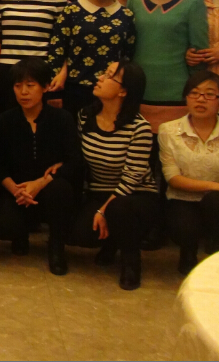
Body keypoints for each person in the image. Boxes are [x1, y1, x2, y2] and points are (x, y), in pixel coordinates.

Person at [71, 62, 158, 291]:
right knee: (80, 234)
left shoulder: (139, 128)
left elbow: (132, 178)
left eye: (109, 76)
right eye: (104, 72)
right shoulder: (85, 116)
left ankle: (131, 262)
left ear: (123, 91)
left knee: (118, 209)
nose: (100, 78)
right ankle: (111, 242)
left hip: (137, 195)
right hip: (100, 191)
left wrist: (103, 210)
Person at [0, 58, 81, 275]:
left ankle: (56, 248)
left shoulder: (62, 119)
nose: (23, 92)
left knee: (61, 189)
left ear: (45, 87)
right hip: (16, 191)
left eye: (30, 85)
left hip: (49, 189)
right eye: (18, 86)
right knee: (2, 225)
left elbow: (75, 161)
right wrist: (15, 189)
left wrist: (40, 183)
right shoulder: (3, 122)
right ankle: (20, 235)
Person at [158, 71, 219, 274]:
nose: (201, 99)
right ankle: (188, 252)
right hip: (182, 198)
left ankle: (218, 251)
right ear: (186, 98)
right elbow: (173, 178)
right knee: (183, 226)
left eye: (209, 94)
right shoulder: (168, 130)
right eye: (194, 93)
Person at [128, 0, 209, 132]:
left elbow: (199, 53)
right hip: (138, 90)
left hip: (175, 92)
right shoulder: (134, 0)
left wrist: (195, 89)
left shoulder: (192, 3)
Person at [47, 0, 136, 116]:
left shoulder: (126, 15)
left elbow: (128, 56)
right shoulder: (72, 11)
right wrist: (55, 92)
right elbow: (57, 50)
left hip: (111, 94)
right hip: (74, 90)